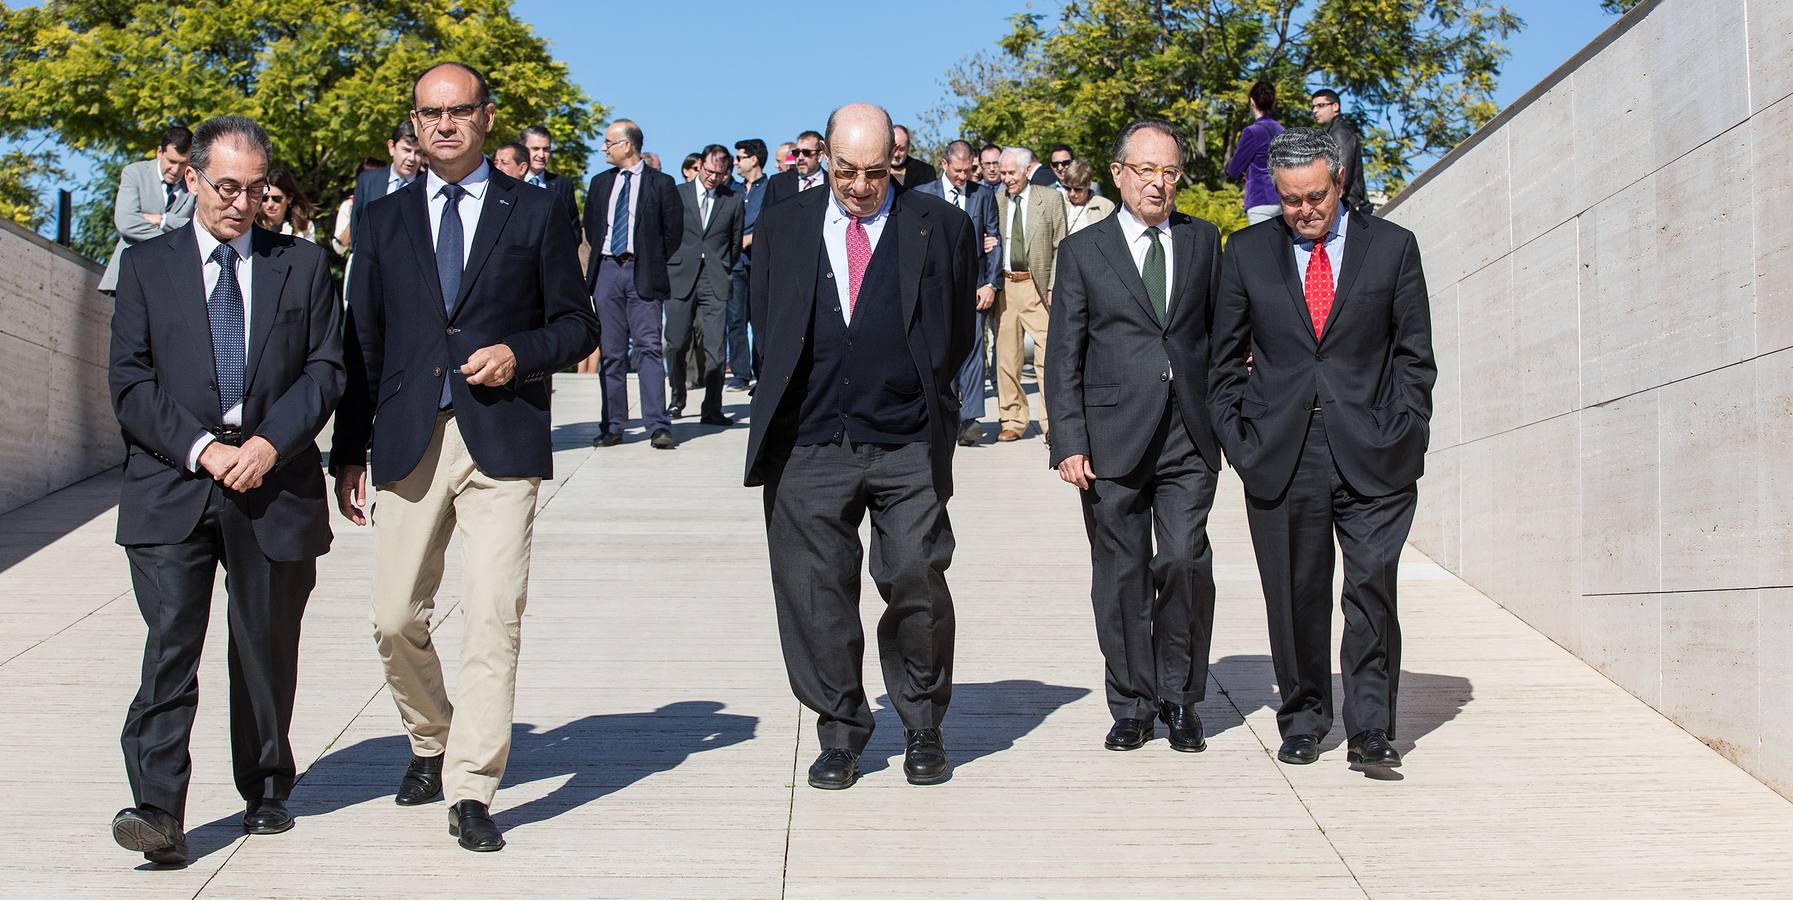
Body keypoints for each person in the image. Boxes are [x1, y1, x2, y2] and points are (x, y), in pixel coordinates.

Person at [331, 61, 600, 852]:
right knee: (392, 618)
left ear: (486, 117)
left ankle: (473, 786)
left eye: (458, 111)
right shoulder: (383, 220)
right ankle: (430, 737)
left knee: (492, 616)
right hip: (410, 435)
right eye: (428, 113)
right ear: (413, 124)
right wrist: (349, 450)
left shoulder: (541, 208)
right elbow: (363, 344)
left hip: (501, 438)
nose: (443, 124)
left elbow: (577, 326)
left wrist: (519, 353)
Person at [107, 114, 343, 865]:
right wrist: (205, 450)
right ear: (192, 179)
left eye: (255, 188)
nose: (240, 203)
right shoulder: (147, 267)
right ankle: (156, 811)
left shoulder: (301, 266)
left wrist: (270, 446)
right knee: (170, 645)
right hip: (174, 480)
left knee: (265, 646)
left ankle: (266, 787)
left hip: (274, 482)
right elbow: (130, 382)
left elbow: (326, 371)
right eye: (226, 186)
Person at [745, 102, 976, 791]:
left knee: (914, 576)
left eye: (876, 172)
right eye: (845, 170)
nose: (859, 186)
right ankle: (840, 730)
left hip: (904, 438)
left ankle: (923, 724)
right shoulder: (783, 226)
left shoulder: (944, 228)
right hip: (807, 438)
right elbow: (766, 320)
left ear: (894, 164)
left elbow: (955, 331)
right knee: (814, 594)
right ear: (823, 160)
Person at [1208, 128, 1435, 772]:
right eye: (1290, 200)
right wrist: (1241, 441)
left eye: (1316, 196)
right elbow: (1222, 363)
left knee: (1370, 591)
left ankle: (1370, 729)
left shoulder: (1392, 249)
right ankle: (1304, 716)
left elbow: (1415, 357)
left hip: (1375, 452)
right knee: (1295, 593)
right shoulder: (1247, 253)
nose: (1305, 210)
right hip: (1282, 455)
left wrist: (1406, 426)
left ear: (1339, 183)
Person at [1047, 119, 1223, 754]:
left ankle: (1181, 698)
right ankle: (1132, 704)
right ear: (1118, 174)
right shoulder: (1083, 251)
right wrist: (1067, 439)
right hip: (1110, 435)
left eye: (1170, 171)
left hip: (1189, 433)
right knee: (1120, 574)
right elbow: (1063, 353)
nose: (1159, 183)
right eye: (1146, 170)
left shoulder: (1205, 242)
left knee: (1181, 559)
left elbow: (1221, 339)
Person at [583, 117, 683, 449]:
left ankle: (657, 424)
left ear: (627, 145)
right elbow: (591, 226)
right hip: (607, 271)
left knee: (649, 349)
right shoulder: (599, 183)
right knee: (611, 353)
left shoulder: (661, 183)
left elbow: (673, 232)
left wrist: (651, 259)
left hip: (644, 273)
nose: (603, 148)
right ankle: (613, 425)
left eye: (609, 142)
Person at [914, 140, 1001, 446]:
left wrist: (991, 283)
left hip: (973, 286)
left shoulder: (983, 195)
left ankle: (971, 418)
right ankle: (943, 411)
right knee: (939, 349)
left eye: (968, 171)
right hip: (934, 289)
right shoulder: (923, 195)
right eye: (959, 171)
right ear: (945, 164)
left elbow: (994, 239)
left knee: (974, 350)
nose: (964, 177)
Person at [664, 144, 743, 425]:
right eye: (709, 171)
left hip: (716, 278)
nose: (713, 177)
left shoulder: (733, 200)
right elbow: (667, 234)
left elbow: (734, 243)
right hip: (680, 276)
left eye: (719, 174)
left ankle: (712, 407)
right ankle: (677, 398)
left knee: (716, 348)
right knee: (675, 342)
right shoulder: (677, 194)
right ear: (699, 165)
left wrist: (721, 267)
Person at [994, 146, 1066, 443]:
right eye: (1003, 173)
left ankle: (1053, 424)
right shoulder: (994, 200)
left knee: (1048, 358)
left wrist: (1054, 285)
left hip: (1039, 285)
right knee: (1006, 358)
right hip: (1006, 287)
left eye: (1012, 172)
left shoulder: (1049, 198)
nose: (1007, 178)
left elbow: (1062, 243)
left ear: (1027, 170)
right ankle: (1012, 419)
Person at [99, 126, 194, 294]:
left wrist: (163, 220)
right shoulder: (134, 173)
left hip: (172, 281)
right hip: (130, 275)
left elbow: (199, 228)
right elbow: (126, 223)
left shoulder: (194, 184)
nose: (176, 170)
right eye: (171, 161)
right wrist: (174, 242)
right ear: (159, 152)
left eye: (183, 164)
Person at [726, 138, 771, 390]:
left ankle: (762, 373)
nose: (735, 162)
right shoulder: (733, 189)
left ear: (753, 159)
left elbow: (774, 221)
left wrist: (752, 238)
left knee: (761, 320)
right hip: (735, 264)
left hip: (760, 264)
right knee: (736, 319)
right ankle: (740, 374)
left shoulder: (772, 187)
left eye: (740, 157)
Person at [349, 120, 423, 255]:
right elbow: (357, 230)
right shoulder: (368, 181)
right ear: (391, 147)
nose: (411, 158)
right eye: (406, 150)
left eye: (418, 152)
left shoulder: (428, 185)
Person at [1225, 81, 1285, 224]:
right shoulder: (1282, 130)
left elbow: (1233, 170)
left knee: (1259, 245)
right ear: (1273, 102)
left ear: (1252, 102)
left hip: (1260, 199)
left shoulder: (1252, 132)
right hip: (1283, 198)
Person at [1310, 89, 1371, 215]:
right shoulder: (1330, 133)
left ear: (1335, 106)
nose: (1315, 110)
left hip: (1348, 208)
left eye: (1321, 105)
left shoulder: (1340, 132)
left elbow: (1341, 174)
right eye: (1313, 107)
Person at [520, 124, 581, 234]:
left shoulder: (563, 185)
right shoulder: (511, 181)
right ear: (523, 149)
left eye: (546, 149)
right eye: (535, 149)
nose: (541, 155)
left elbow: (573, 227)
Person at [763, 130, 827, 207]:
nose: (800, 158)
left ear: (820, 156)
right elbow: (767, 215)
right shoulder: (778, 182)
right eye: (796, 153)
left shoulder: (832, 182)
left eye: (806, 152)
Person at [254, 166, 317, 242]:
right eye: (265, 198)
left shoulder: (304, 227)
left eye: (276, 198)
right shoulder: (252, 224)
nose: (270, 204)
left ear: (289, 198)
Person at [1060, 160, 1115, 234]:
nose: (1072, 193)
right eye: (1068, 188)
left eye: (1078, 189)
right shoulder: (1059, 204)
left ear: (1088, 185)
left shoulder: (1105, 206)